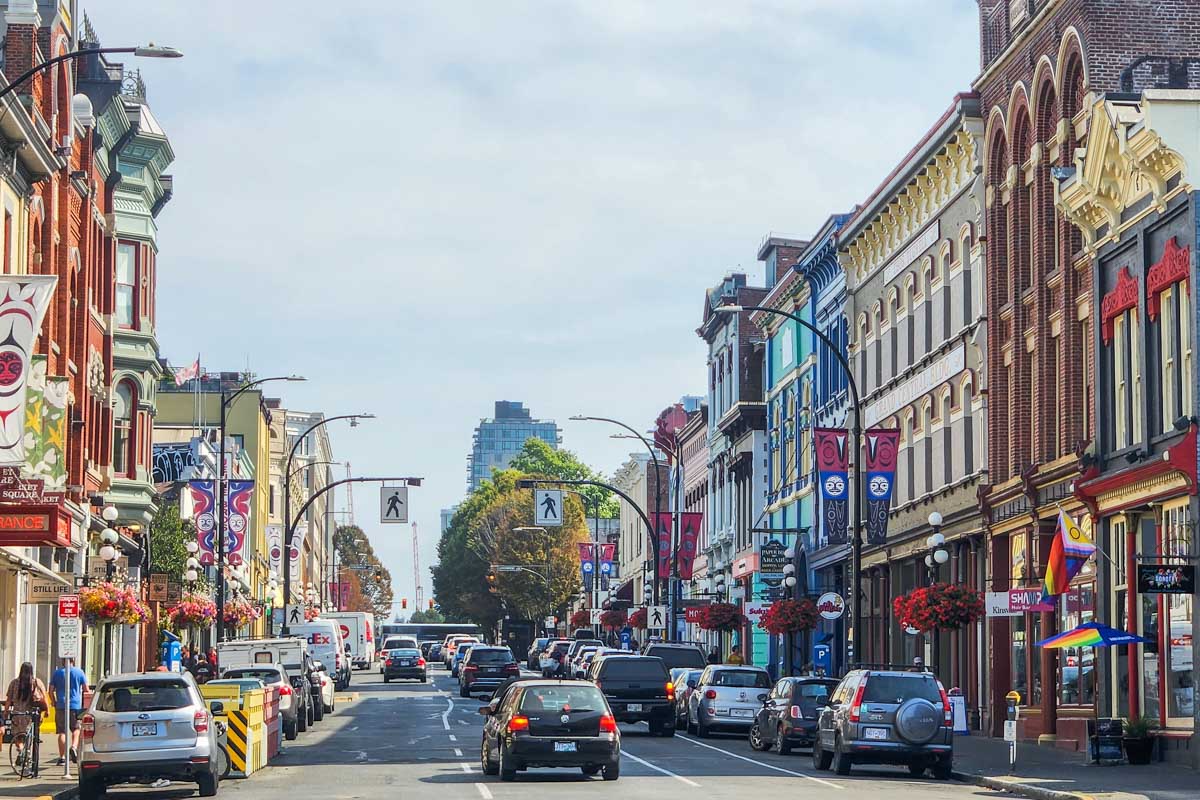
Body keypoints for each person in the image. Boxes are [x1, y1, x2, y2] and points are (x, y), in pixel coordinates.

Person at [4, 662, 48, 767]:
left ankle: (21, 750)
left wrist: (6, 712)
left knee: (17, 737)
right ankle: (27, 752)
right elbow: (44, 697)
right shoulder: (36, 682)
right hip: (30, 715)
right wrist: (47, 710)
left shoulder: (14, 683)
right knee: (29, 735)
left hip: (17, 714)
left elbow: (9, 699)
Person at [49, 658, 88, 766]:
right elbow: (86, 689)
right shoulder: (79, 672)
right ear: (73, 660)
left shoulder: (57, 673)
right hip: (75, 705)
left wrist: (53, 702)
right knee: (76, 728)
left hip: (61, 705)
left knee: (62, 732)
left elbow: (50, 690)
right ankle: (74, 747)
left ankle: (62, 757)